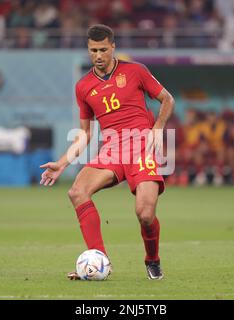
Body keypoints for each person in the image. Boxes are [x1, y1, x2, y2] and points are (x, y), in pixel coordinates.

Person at [39, 24, 175, 280]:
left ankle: (152, 259)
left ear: (113, 47)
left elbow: (168, 99)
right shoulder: (83, 87)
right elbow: (86, 134)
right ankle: (99, 261)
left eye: (103, 49)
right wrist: (62, 163)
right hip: (111, 150)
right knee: (77, 192)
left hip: (141, 148)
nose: (98, 55)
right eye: (93, 50)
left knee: (145, 214)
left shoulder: (136, 71)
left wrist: (157, 127)